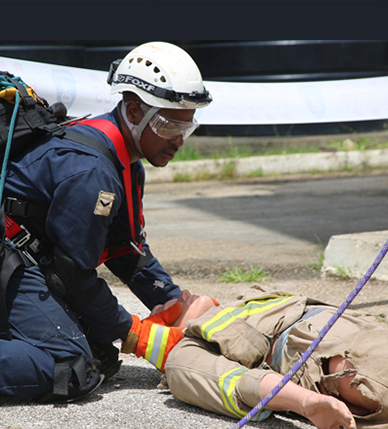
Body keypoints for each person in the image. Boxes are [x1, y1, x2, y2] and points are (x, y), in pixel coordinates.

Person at [0, 41, 212, 402]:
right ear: (133, 110)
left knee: (101, 352)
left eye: (186, 128)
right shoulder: (92, 172)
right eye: (167, 124)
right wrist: (137, 334)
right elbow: (69, 274)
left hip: (21, 259)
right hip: (10, 259)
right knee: (71, 367)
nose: (179, 140)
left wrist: (171, 302)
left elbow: (125, 249)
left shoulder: (125, 164)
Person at [150, 285, 388, 429]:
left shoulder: (245, 300)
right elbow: (243, 383)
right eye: (160, 311)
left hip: (363, 326)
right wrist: (305, 402)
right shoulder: (182, 355)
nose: (182, 293)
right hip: (330, 351)